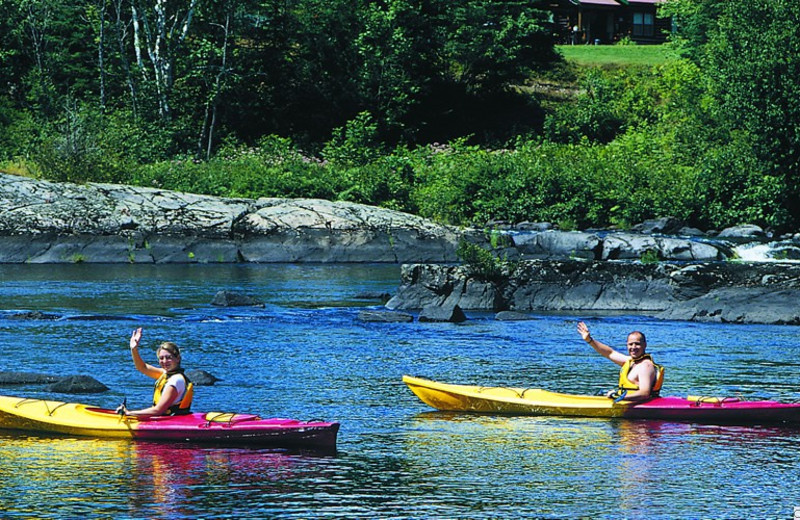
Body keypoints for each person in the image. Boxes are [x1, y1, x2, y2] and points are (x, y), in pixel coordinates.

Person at [577, 321, 663, 402]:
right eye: (630, 344)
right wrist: (589, 340)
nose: (633, 347)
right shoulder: (630, 362)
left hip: (638, 406)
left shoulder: (645, 366)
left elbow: (644, 393)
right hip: (624, 400)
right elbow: (610, 353)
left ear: (645, 345)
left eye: (637, 344)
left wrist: (619, 397)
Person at [116, 327, 194, 417]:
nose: (164, 361)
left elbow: (158, 411)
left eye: (169, 357)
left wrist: (129, 413)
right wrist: (134, 349)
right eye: (161, 358)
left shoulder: (176, 381)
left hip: (168, 422)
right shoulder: (166, 374)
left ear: (177, 359)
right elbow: (142, 367)